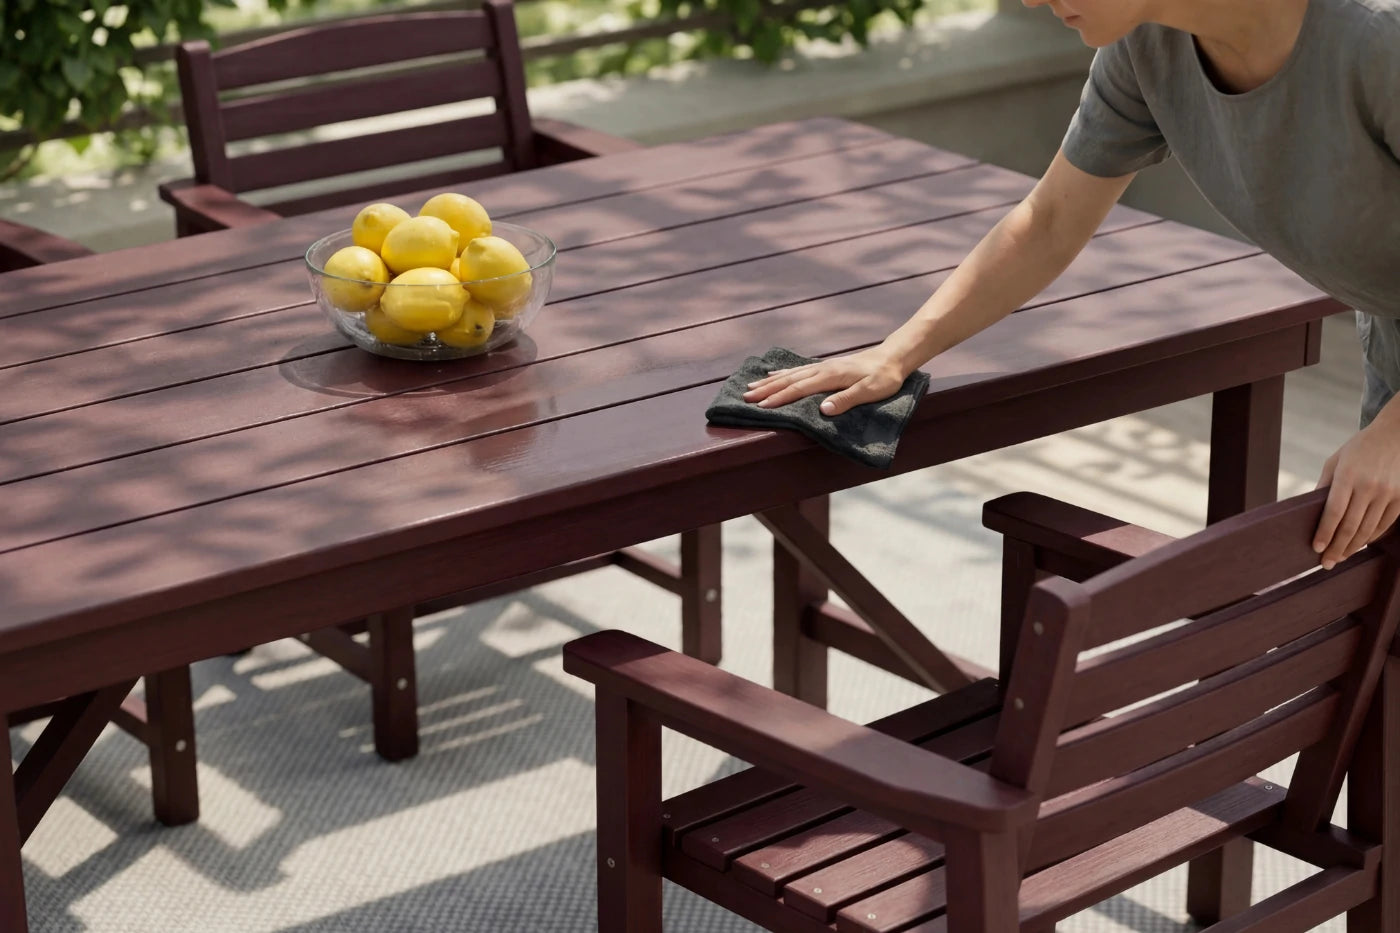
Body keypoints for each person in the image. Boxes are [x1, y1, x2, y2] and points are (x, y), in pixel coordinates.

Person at [744, 0, 1400, 571]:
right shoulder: (1148, 48)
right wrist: (897, 352)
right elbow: (1049, 221)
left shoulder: (1377, 37)